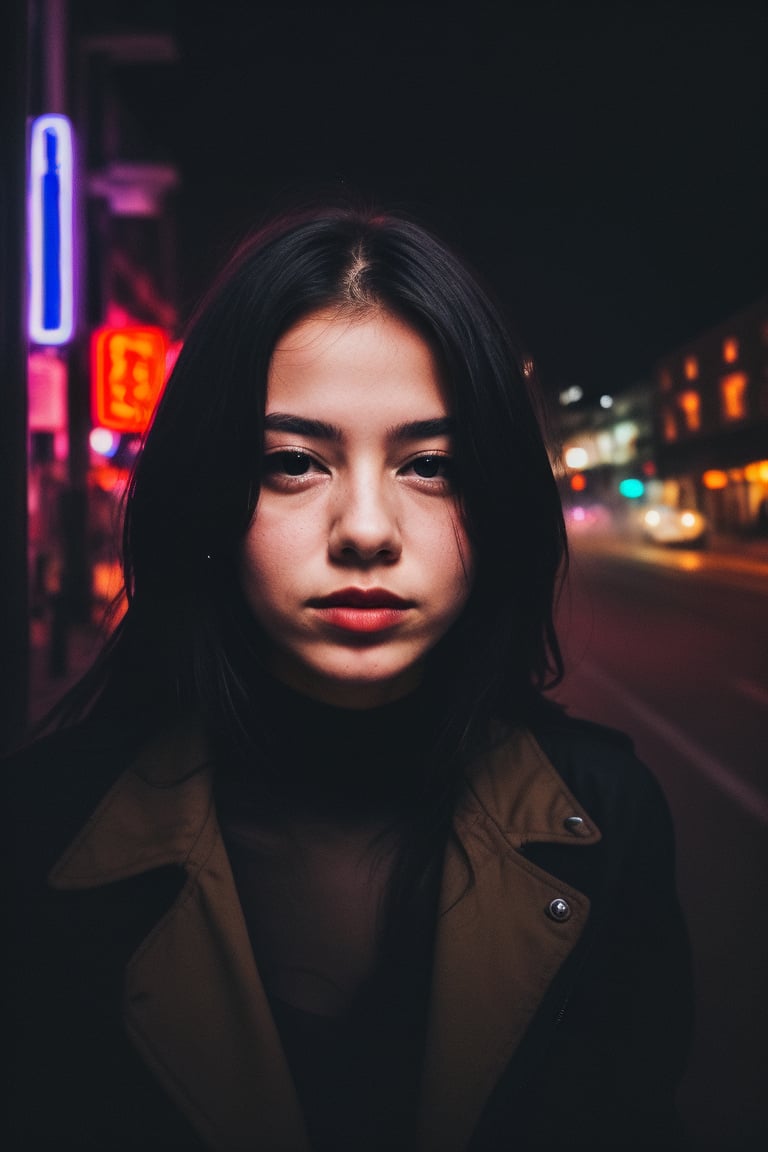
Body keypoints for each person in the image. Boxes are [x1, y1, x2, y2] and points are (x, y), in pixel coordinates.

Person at [4, 199, 693, 1152]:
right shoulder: (42, 830)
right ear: (212, 489)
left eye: (430, 465)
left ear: (493, 496)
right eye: (293, 461)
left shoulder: (609, 816)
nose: (365, 529)